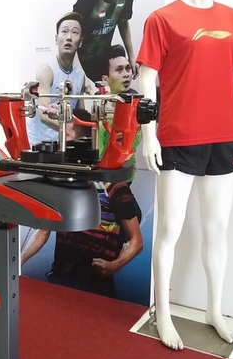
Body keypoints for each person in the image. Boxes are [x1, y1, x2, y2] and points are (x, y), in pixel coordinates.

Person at [137, 0, 233, 350]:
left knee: (217, 228)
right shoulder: (162, 19)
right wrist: (148, 134)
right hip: (178, 136)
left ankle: (214, 311)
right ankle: (164, 314)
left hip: (224, 137)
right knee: (169, 230)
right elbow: (147, 80)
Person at [21, 110, 143, 299]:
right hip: (59, 280)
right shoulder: (62, 180)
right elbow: (43, 233)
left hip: (95, 289)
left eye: (67, 136)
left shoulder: (114, 185)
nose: (61, 142)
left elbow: (137, 242)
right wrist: (18, 261)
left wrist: (113, 266)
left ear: (83, 142)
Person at [26, 12, 91, 146]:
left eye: (74, 32)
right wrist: (71, 131)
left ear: (80, 42)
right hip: (39, 145)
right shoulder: (46, 71)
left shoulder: (80, 76)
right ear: (56, 39)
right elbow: (44, 115)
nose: (69, 37)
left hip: (65, 144)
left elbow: (79, 115)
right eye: (64, 32)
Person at [97, 44, 141, 183]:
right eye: (119, 70)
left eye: (128, 68)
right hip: (99, 174)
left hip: (123, 174)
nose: (126, 74)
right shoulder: (99, 103)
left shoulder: (137, 104)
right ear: (105, 79)